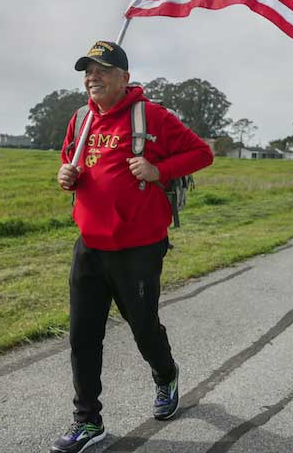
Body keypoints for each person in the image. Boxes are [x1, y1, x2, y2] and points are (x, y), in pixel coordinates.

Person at [51, 40, 214, 453]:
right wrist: (66, 175)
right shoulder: (80, 118)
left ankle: (166, 375)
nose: (93, 78)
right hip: (89, 244)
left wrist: (159, 169)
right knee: (82, 336)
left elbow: (202, 153)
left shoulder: (152, 116)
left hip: (139, 248)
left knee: (143, 327)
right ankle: (88, 421)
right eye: (88, 71)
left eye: (103, 70)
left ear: (124, 77)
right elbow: (71, 160)